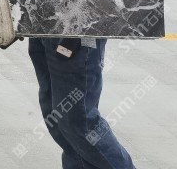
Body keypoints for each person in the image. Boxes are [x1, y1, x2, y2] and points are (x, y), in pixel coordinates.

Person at [28, 37, 136, 169]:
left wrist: (72, 39)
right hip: (44, 33)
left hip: (75, 37)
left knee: (80, 123)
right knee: (58, 120)